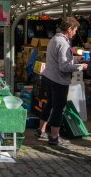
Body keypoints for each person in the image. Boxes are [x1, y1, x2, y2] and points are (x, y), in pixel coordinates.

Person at [36, 17, 88, 145]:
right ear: (69, 29)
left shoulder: (54, 39)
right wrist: (81, 67)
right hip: (58, 81)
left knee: (49, 105)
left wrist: (77, 59)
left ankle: (41, 130)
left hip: (48, 77)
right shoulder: (64, 43)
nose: (75, 33)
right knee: (59, 108)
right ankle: (54, 137)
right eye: (74, 30)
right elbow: (64, 66)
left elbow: (61, 60)